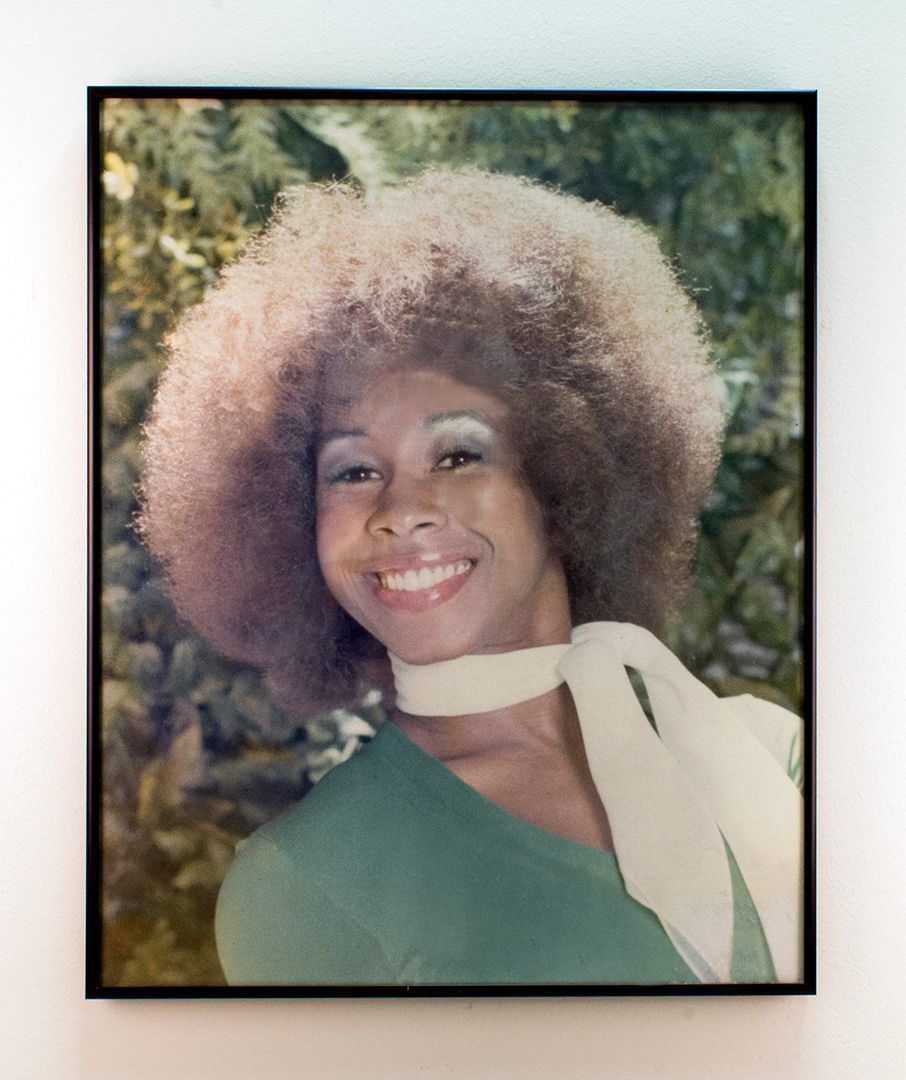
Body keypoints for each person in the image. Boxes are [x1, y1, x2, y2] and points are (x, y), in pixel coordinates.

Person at [140, 169, 803, 987]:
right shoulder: (307, 887)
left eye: (456, 455)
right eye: (352, 471)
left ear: (564, 475)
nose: (401, 511)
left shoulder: (774, 759)